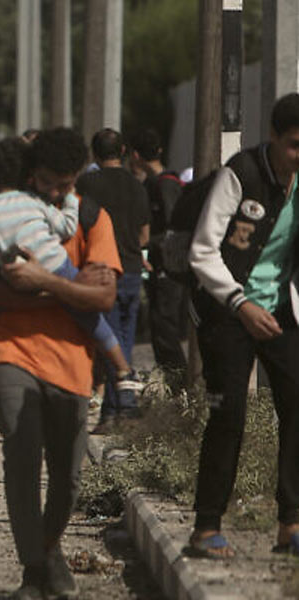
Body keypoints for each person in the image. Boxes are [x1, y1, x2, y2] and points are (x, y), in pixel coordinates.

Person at [0, 128, 122, 598]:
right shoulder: (8, 214)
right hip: (11, 353)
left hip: (72, 364)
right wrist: (67, 292)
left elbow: (102, 296)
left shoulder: (92, 218)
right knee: (20, 454)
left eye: (65, 185)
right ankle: (34, 570)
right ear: (31, 175)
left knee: (69, 478)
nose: (55, 193)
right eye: (46, 183)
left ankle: (49, 550)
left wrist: (41, 281)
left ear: (78, 177)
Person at [186, 92, 299, 560]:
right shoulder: (242, 174)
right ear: (272, 136)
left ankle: (290, 523)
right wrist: (239, 304)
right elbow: (202, 251)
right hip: (226, 311)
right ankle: (206, 527)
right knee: (229, 415)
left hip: (282, 310)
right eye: (293, 144)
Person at [76, 128, 151, 432]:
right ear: (122, 151)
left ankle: (121, 409)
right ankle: (117, 410)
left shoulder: (85, 185)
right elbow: (145, 233)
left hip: (100, 269)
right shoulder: (137, 186)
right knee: (124, 339)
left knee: (108, 339)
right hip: (132, 268)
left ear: (94, 153)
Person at [129, 129, 189, 393]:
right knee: (159, 331)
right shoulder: (155, 184)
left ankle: (181, 391)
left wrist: (145, 242)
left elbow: (173, 230)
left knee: (165, 332)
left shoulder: (164, 185)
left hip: (169, 270)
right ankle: (177, 391)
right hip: (160, 268)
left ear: (135, 156)